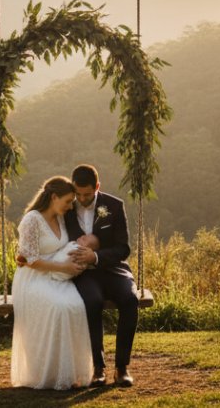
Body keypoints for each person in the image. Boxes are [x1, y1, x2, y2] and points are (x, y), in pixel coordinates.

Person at [9, 176, 94, 390]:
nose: (69, 206)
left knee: (76, 306)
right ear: (54, 197)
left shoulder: (61, 218)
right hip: (34, 278)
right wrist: (64, 268)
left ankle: (68, 372)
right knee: (59, 308)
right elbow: (28, 260)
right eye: (67, 201)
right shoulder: (32, 220)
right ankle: (45, 373)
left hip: (58, 277)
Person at [64, 163, 140, 388]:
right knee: (92, 302)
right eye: (78, 193)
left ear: (97, 186)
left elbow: (123, 248)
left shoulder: (114, 206)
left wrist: (95, 256)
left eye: (87, 194)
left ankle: (122, 368)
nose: (82, 198)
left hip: (113, 268)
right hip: (84, 274)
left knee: (130, 299)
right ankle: (98, 368)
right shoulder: (67, 208)